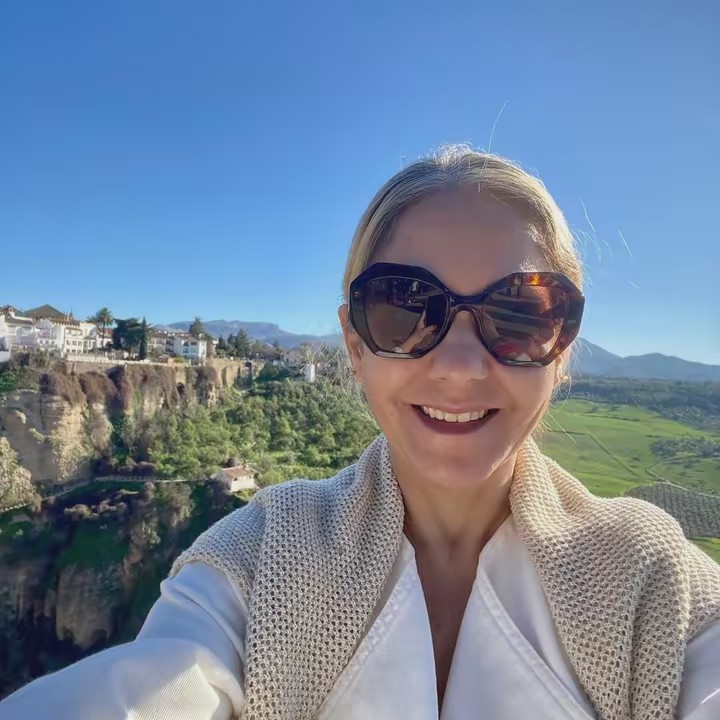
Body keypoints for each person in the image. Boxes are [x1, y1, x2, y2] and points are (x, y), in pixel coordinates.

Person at [3, 146, 719, 719]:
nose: (460, 366)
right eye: (403, 310)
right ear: (354, 345)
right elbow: (150, 689)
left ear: (560, 349)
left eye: (518, 314)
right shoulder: (259, 558)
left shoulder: (657, 583)